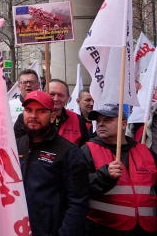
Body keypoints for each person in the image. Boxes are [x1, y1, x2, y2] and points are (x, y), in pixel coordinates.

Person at [16, 90, 89, 235]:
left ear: (53, 116)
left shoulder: (69, 152)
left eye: (41, 111)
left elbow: (78, 202)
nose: (33, 116)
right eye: (28, 110)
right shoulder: (15, 145)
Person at [82, 104, 157, 235]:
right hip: (104, 228)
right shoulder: (87, 150)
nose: (100, 124)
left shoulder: (145, 151)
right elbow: (76, 187)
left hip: (146, 228)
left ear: (123, 124)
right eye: (98, 120)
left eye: (107, 120)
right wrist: (104, 176)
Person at [16, 79, 89, 145]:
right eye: (52, 94)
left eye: (60, 95)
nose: (56, 99)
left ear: (68, 98)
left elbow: (83, 148)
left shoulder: (78, 120)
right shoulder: (26, 118)